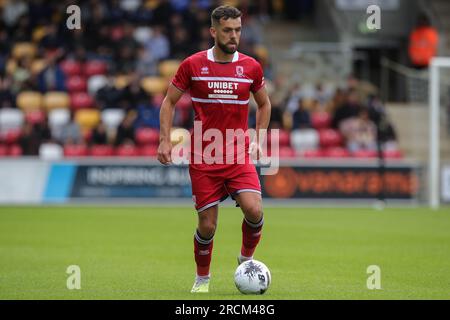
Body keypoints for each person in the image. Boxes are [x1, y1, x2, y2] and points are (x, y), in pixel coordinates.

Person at [157, 5, 271, 293]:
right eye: (227, 30)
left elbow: (265, 103)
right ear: (213, 32)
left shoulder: (251, 67)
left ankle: (246, 260)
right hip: (204, 156)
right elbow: (168, 102)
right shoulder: (193, 65)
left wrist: (259, 137)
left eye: (238, 30)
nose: (234, 36)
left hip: (238, 153)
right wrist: (164, 139)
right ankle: (202, 279)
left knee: (254, 209)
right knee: (207, 226)